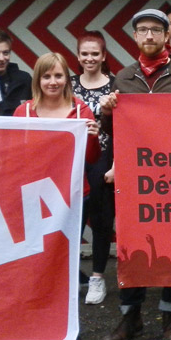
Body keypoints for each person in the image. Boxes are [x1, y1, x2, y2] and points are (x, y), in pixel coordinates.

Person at [98, 9, 171, 340]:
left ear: (167, 36)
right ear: (134, 36)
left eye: (156, 30)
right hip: (135, 177)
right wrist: (108, 112)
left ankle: (170, 317)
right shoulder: (123, 78)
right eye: (143, 30)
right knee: (132, 244)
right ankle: (131, 316)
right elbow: (115, 132)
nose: (150, 36)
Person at [71, 31, 115, 306]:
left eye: (94, 54)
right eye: (84, 54)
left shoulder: (114, 86)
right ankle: (72, 273)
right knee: (71, 220)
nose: (89, 58)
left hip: (102, 159)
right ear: (78, 56)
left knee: (100, 220)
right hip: (71, 159)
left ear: (103, 56)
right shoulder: (68, 85)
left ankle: (98, 275)